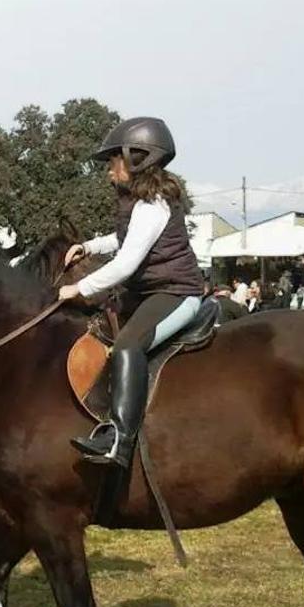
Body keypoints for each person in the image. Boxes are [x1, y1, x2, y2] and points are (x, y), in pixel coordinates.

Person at [59, 116, 203, 469]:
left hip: (177, 294)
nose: (109, 170)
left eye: (113, 162)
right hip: (149, 293)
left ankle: (120, 442)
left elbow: (125, 264)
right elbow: (123, 240)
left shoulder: (153, 206)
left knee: (127, 346)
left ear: (137, 158)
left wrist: (78, 287)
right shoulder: (138, 203)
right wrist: (88, 247)